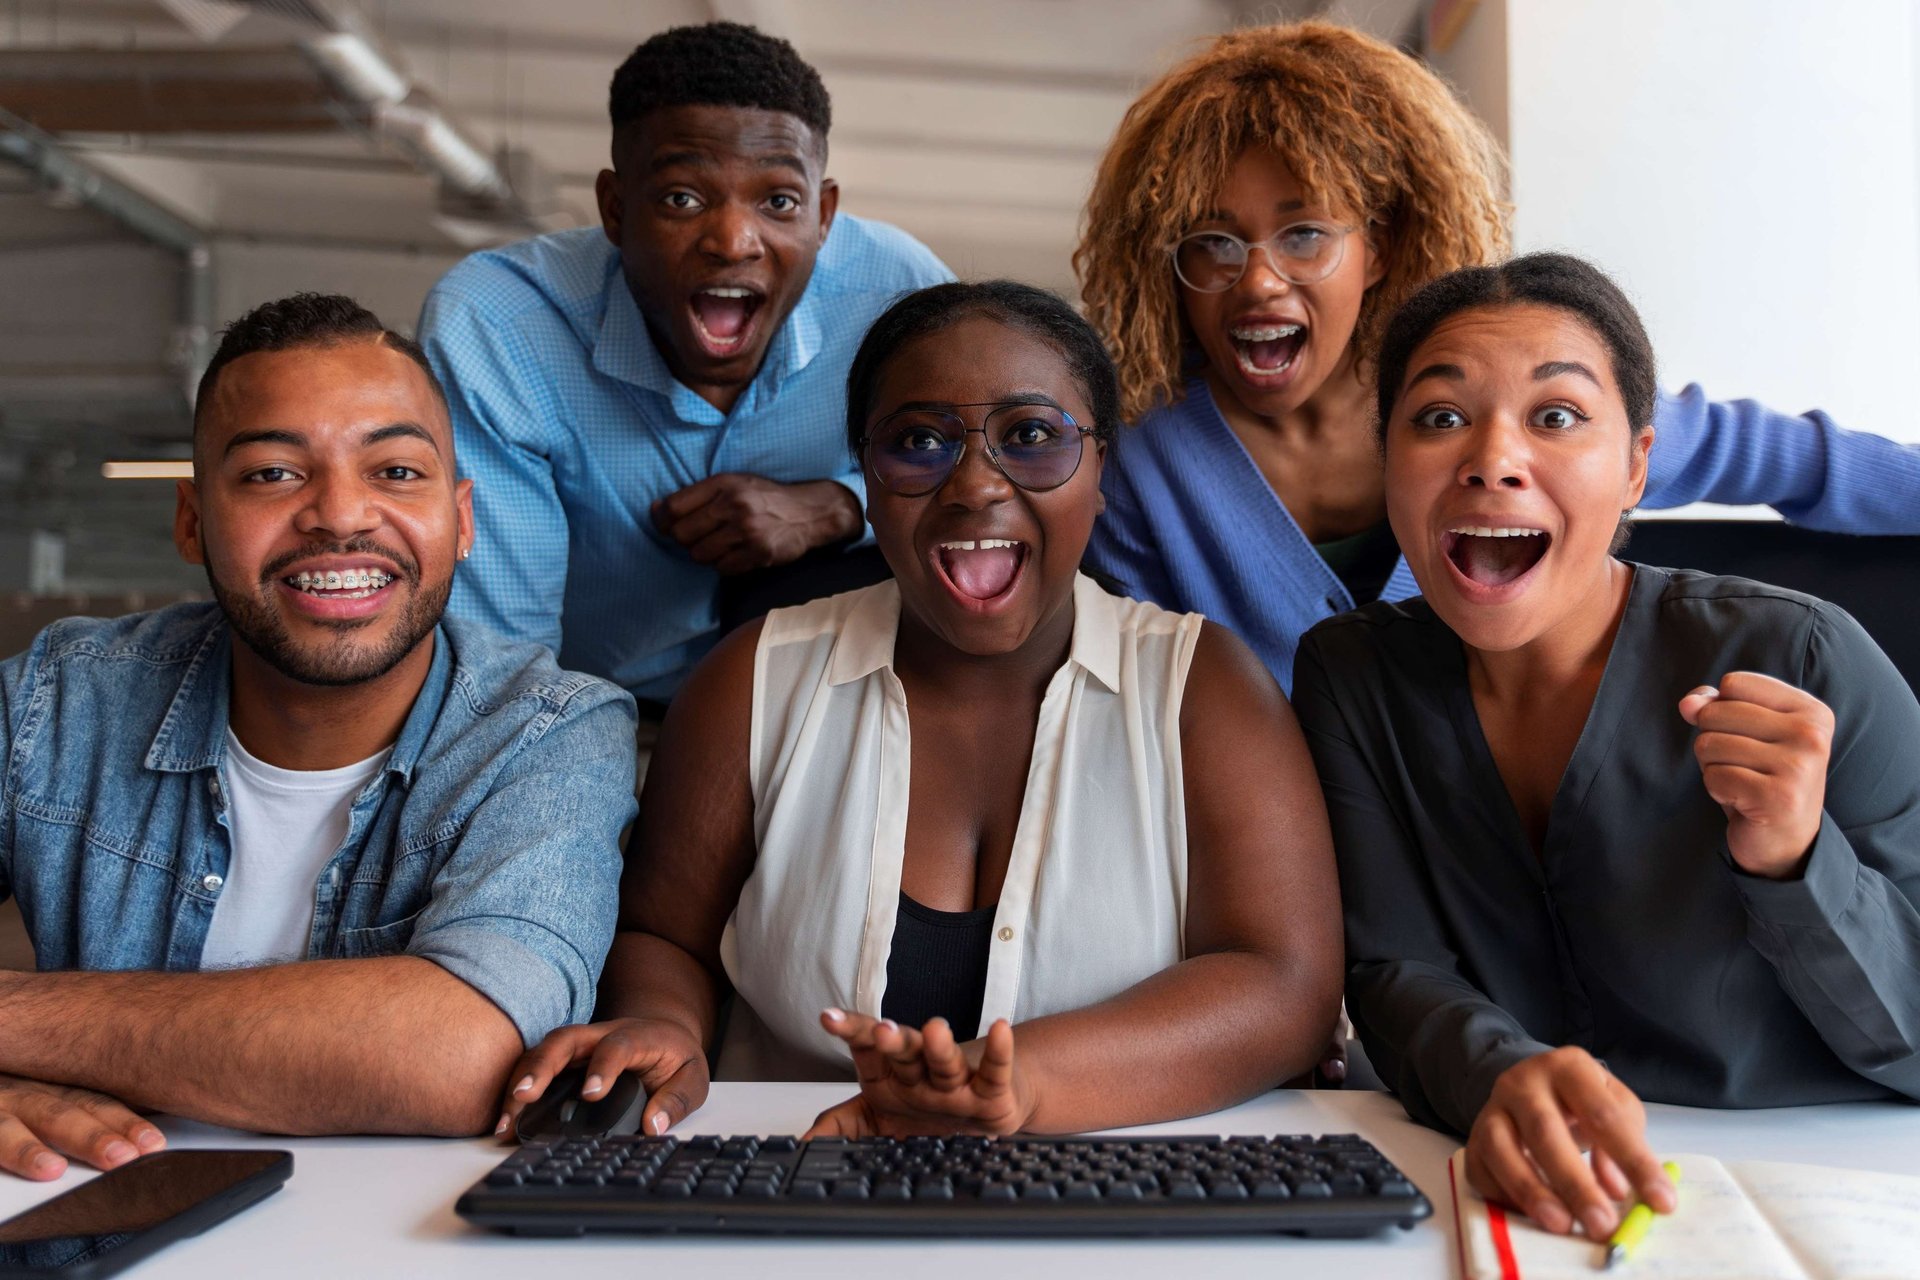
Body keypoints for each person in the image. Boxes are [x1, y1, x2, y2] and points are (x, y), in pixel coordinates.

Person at [495, 281, 1344, 1139]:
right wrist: (667, 1025)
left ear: (1101, 468)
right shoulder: (754, 680)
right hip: (800, 1196)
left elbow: (1285, 984)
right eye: (920, 442)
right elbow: (662, 936)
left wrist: (1020, 1084)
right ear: (866, 479)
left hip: (1105, 1213)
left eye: (1033, 437)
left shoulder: (1206, 688)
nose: (975, 485)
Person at [1292, 253, 1920, 1244]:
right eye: (1441, 417)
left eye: (1556, 416)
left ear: (1636, 464)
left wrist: (1797, 854)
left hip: (1826, 1196)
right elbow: (1392, 965)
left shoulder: (1806, 654)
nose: (1492, 458)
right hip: (1522, 1203)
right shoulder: (1352, 675)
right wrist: (1495, 1074)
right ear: (1388, 463)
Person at [1076, 21, 1920, 694]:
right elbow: (1150, 701)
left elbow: (1801, 463)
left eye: (1305, 234)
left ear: (1381, 244)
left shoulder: (1520, 408)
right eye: (1213, 244)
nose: (1258, 280)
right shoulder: (1141, 464)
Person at [0, 295, 636, 1181]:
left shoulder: (548, 733)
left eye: (397, 473)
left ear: (464, 521)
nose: (340, 515)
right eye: (271, 475)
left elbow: (458, 1056)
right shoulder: (57, 701)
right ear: (191, 519)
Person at [420, 20, 953, 711]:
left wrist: (843, 506)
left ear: (823, 216)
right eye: (682, 198)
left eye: (779, 202)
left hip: (822, 712)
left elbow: (982, 482)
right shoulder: (500, 325)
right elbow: (501, 665)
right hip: (584, 712)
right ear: (615, 209)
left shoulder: (897, 295)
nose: (733, 241)